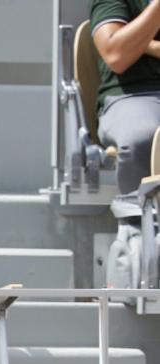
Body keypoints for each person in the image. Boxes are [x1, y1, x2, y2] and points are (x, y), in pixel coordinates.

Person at [92, 0, 160, 285]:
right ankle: (142, 254)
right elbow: (117, 54)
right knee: (143, 138)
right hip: (133, 96)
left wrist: (145, 44)